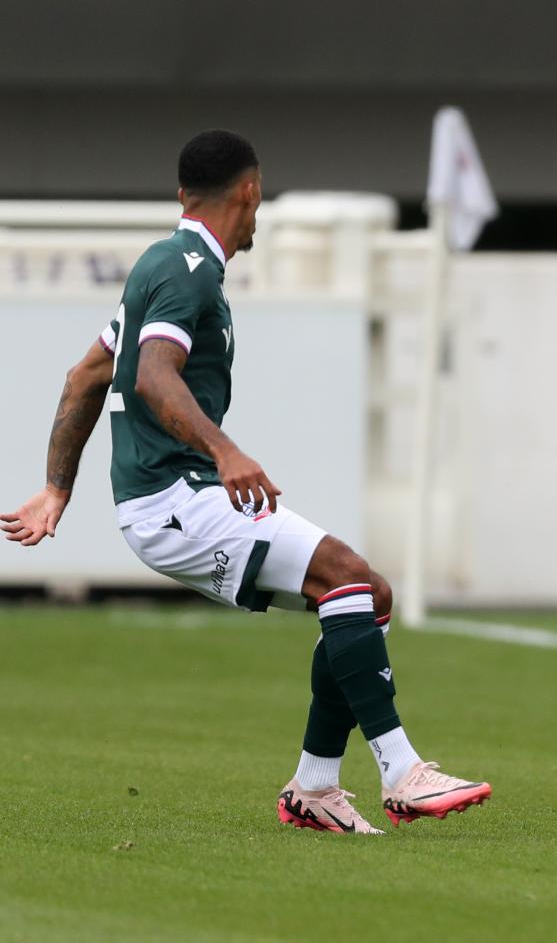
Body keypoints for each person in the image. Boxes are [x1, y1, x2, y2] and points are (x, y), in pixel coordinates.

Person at [1, 129, 490, 835]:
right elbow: (152, 376)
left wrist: (57, 490)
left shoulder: (165, 265)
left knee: (362, 593)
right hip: (178, 500)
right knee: (347, 579)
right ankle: (402, 771)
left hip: (169, 502)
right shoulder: (186, 268)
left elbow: (85, 378)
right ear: (250, 192)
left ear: (181, 194)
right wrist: (225, 453)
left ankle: (316, 788)